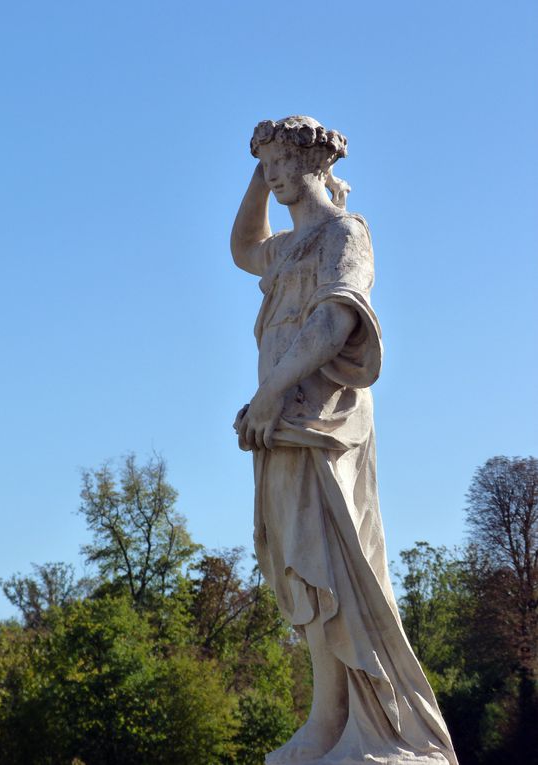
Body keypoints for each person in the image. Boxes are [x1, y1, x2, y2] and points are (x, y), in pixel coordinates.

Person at [231, 116, 458, 765]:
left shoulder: (343, 233)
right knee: (301, 568)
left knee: (339, 564)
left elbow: (336, 318)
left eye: (282, 162)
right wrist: (260, 166)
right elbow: (244, 246)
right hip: (280, 430)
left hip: (323, 424)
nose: (274, 175)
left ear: (315, 160)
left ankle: (382, 721)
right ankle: (326, 717)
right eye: (266, 164)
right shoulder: (284, 249)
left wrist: (272, 389)